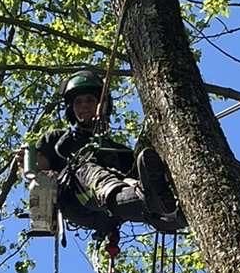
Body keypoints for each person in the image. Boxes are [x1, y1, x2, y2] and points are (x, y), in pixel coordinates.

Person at [40, 67, 184, 235]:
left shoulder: (118, 151)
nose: (84, 105)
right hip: (75, 203)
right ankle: (139, 201)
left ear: (101, 105)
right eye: (78, 102)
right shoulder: (58, 139)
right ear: (71, 109)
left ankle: (165, 213)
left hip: (110, 215)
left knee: (140, 164)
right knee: (83, 165)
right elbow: (37, 171)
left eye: (89, 100)